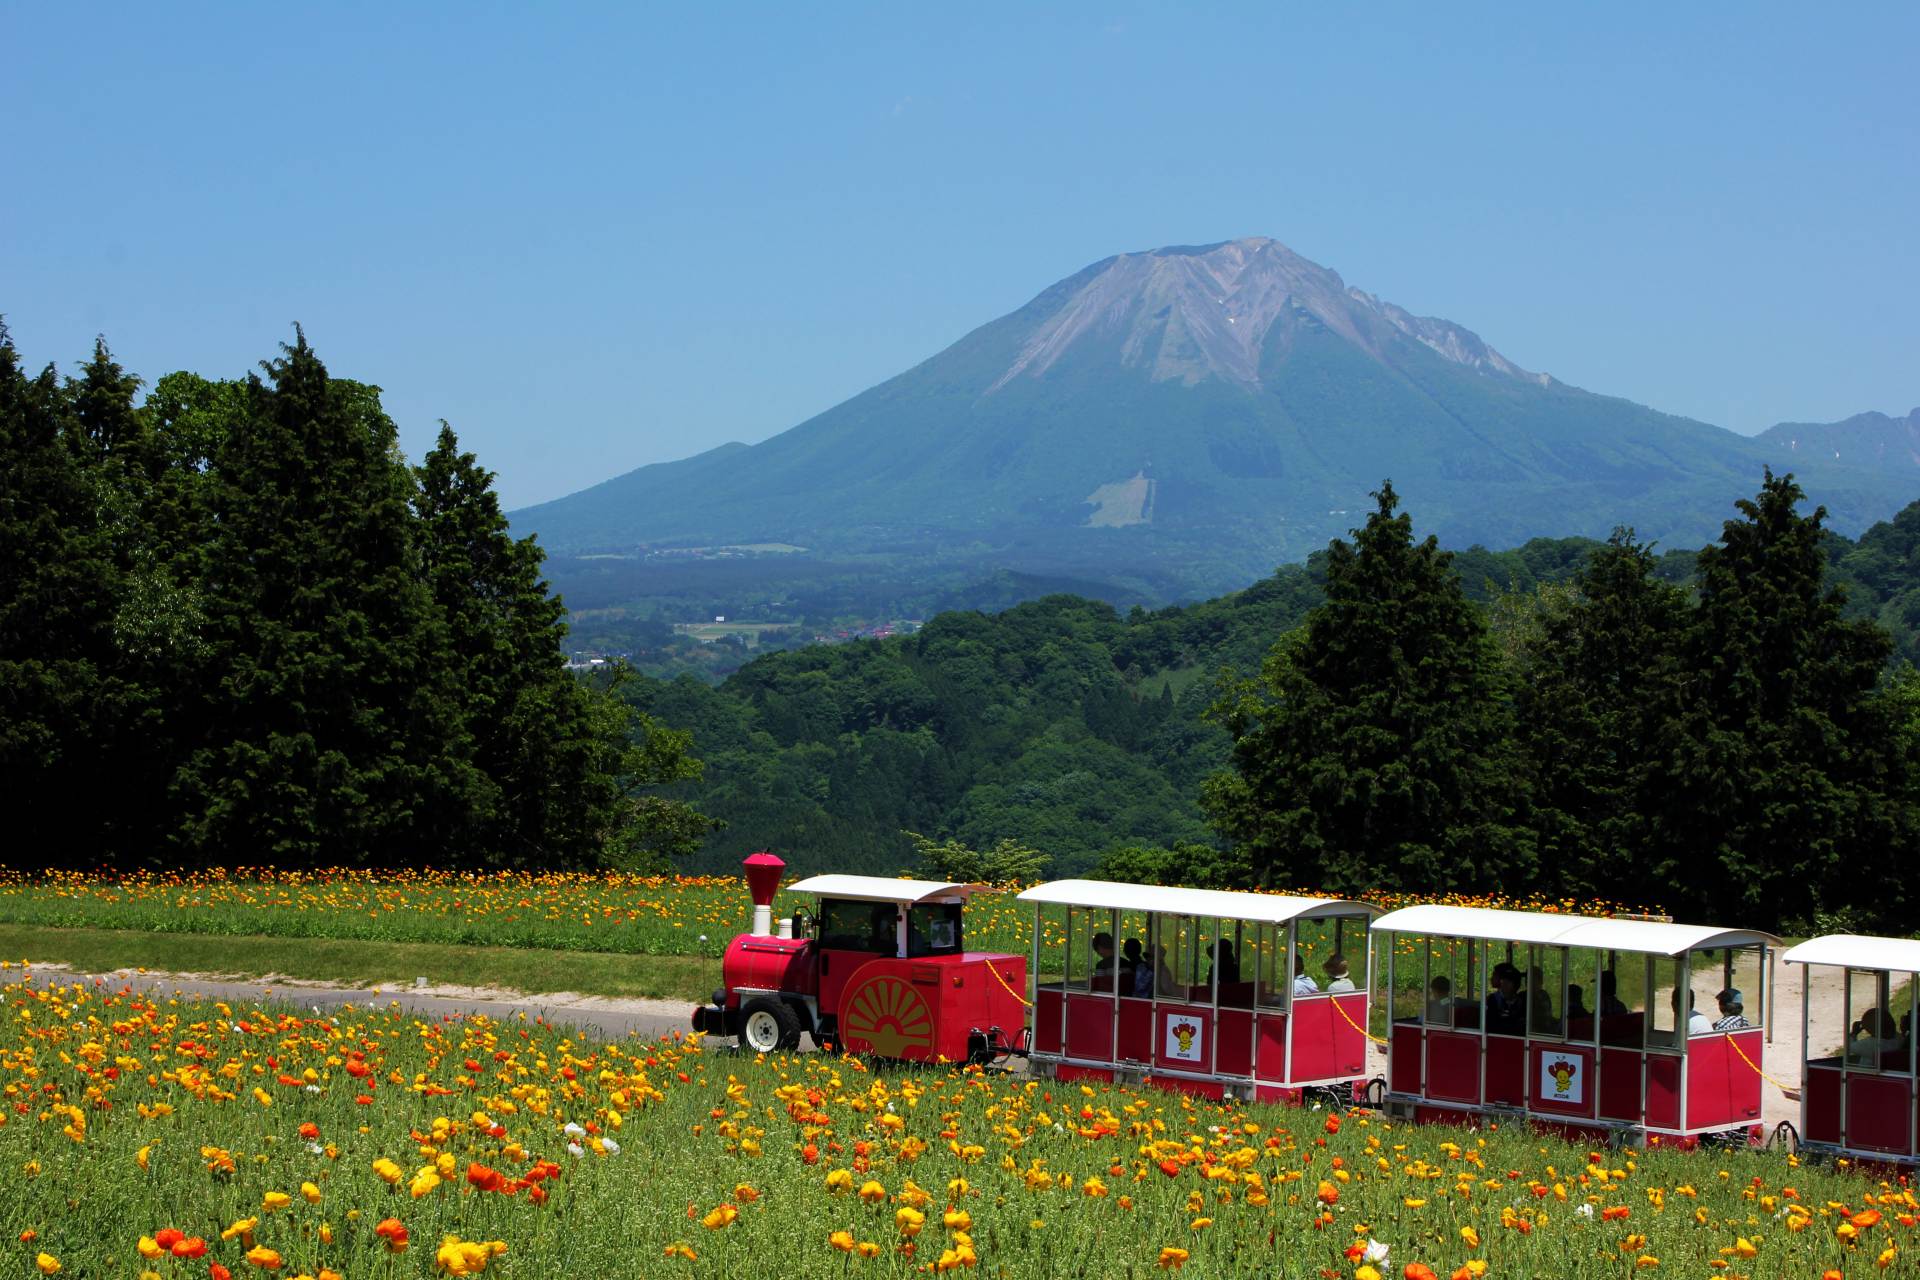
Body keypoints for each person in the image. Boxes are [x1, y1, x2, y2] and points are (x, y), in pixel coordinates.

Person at [1485, 964, 1525, 1035]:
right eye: (1504, 980)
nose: (1505, 984)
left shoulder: (1521, 1001)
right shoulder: (1492, 1000)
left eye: (1510, 981)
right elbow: (1491, 1026)